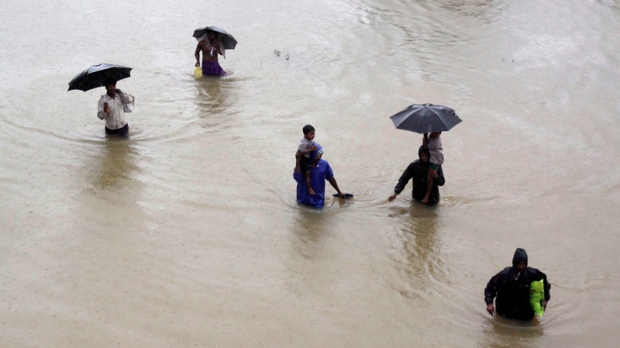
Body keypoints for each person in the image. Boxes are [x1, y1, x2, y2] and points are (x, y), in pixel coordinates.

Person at [484, 248, 551, 320]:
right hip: (504, 313)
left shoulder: (534, 275)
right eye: (519, 264)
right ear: (514, 263)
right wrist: (489, 303)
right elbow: (489, 289)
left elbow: (546, 285)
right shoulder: (504, 275)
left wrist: (545, 300)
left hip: (525, 314)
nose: (521, 266)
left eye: (524, 264)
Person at [294, 144, 345, 209]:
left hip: (318, 200)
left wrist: (339, 192)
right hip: (303, 199)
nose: (319, 157)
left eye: (321, 155)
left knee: (319, 215)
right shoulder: (303, 164)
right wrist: (298, 161)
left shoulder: (324, 164)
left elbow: (331, 178)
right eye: (317, 155)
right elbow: (297, 178)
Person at [421, 131, 443, 204]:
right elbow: (404, 179)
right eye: (421, 155)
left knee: (430, 177)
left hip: (436, 160)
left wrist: (436, 176)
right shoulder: (415, 165)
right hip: (418, 196)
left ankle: (427, 195)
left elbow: (426, 146)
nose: (423, 158)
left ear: (440, 133)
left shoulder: (436, 142)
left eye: (436, 133)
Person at [298, 125, 318, 196]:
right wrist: (311, 149)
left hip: (308, 157)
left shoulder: (309, 140)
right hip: (303, 159)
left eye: (313, 134)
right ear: (305, 134)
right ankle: (309, 188)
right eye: (311, 134)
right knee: (307, 174)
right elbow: (301, 153)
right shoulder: (304, 143)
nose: (313, 136)